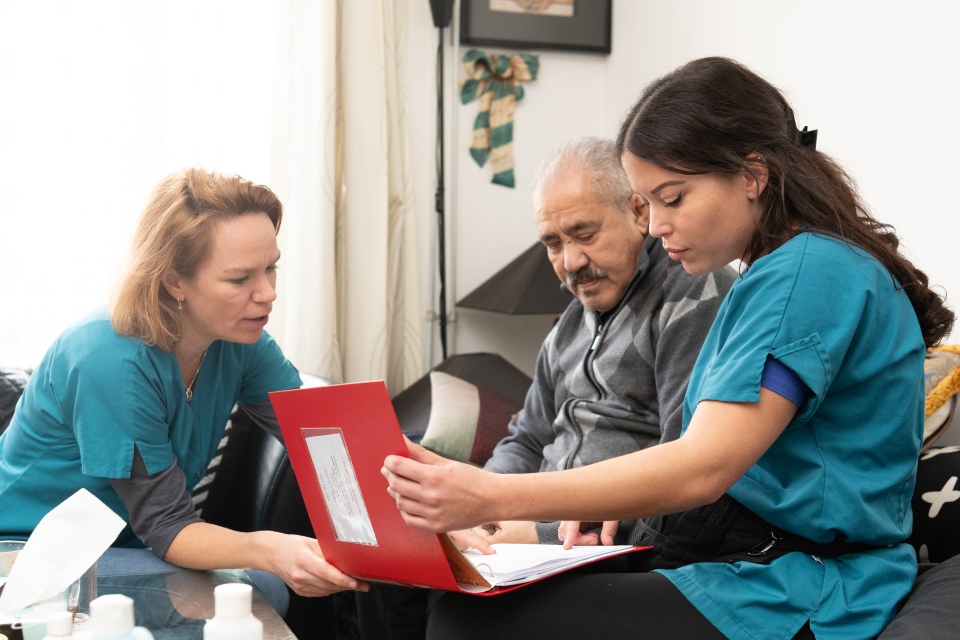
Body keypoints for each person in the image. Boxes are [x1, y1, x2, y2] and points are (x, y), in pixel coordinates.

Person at [382, 57, 955, 640]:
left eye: (672, 198)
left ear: (752, 174)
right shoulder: (785, 274)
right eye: (645, 205)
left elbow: (706, 464)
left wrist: (490, 496)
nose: (654, 225)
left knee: (467, 621)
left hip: (798, 582)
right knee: (463, 598)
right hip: (741, 553)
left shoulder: (807, 275)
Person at [357, 137, 736, 638]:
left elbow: (682, 468)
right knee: (383, 564)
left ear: (637, 212)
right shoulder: (570, 325)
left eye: (584, 233)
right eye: (553, 244)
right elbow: (527, 438)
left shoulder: (693, 294)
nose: (571, 262)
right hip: (531, 521)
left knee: (456, 616)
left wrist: (515, 524)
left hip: (607, 539)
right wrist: (483, 512)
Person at [0, 168, 368, 603]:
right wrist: (269, 549)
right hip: (29, 553)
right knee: (260, 591)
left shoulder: (240, 341)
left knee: (263, 592)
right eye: (240, 278)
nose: (268, 293)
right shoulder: (108, 359)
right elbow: (167, 526)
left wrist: (439, 514)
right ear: (174, 279)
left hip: (123, 545)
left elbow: (330, 441)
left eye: (271, 269)